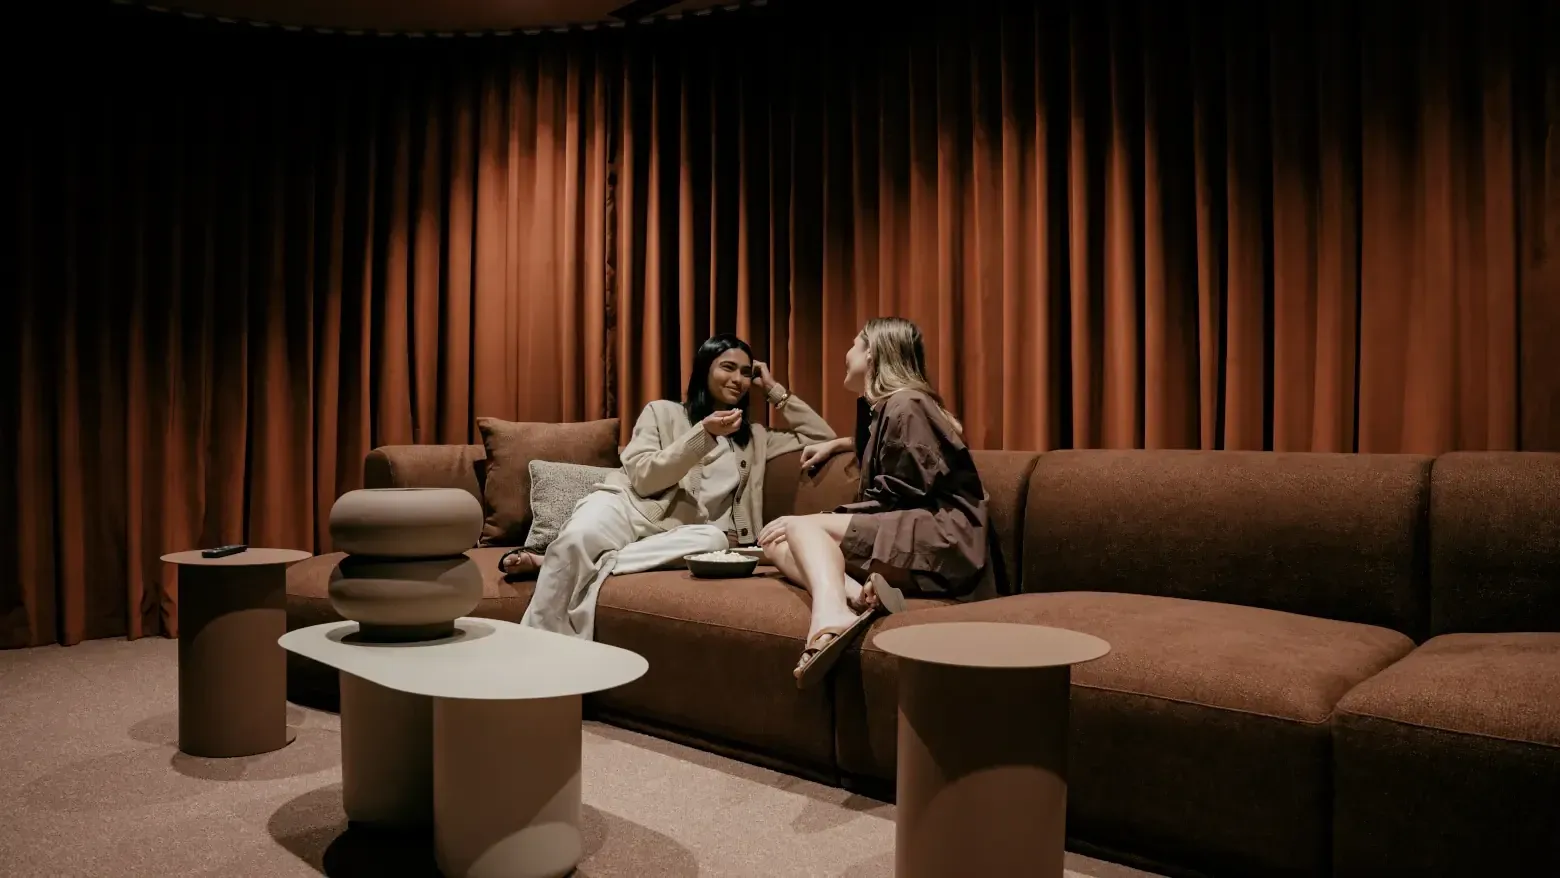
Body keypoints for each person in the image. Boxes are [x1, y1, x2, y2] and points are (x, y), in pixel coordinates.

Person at [501, 334, 836, 640]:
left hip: (685, 533)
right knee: (577, 538)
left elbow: (823, 438)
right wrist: (703, 435)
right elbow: (644, 478)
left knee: (715, 539)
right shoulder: (661, 413)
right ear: (705, 370)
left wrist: (775, 389)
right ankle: (535, 650)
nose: (738, 379)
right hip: (628, 507)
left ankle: (562, 561)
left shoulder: (756, 438)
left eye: (746, 372)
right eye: (728, 367)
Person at [757, 317, 988, 688]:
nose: (846, 354)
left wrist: (821, 519)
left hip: (942, 535)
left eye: (854, 344)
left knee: (798, 526)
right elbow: (894, 454)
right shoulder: (888, 410)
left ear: (873, 352)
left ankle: (832, 615)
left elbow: (904, 496)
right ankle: (862, 599)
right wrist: (838, 444)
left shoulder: (907, 404)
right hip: (910, 529)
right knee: (776, 544)